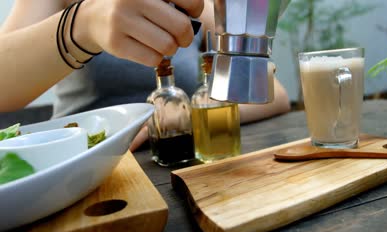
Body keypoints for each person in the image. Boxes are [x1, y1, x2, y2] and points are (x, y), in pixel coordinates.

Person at [0, 0, 291, 151]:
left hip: (173, 160)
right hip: (75, 164)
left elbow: (273, 93)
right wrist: (82, 23)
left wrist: (179, 116)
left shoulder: (193, 7)